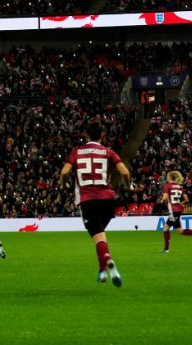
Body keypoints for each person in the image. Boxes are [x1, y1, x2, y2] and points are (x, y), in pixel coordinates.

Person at [60, 119, 130, 287]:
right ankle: (102, 271)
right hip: (108, 200)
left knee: (98, 239)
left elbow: (64, 172)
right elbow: (125, 172)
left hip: (88, 201)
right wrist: (128, 186)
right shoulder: (107, 152)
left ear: (86, 135)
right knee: (100, 237)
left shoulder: (77, 151)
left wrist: (64, 184)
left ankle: (108, 261)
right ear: (102, 135)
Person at [159, 170, 192, 252]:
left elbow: (164, 197)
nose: (166, 177)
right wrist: (179, 204)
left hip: (173, 211)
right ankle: (166, 249)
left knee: (179, 231)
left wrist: (162, 200)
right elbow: (187, 200)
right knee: (166, 228)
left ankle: (166, 249)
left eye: (167, 176)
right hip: (177, 210)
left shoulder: (167, 186)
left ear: (170, 177)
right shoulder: (179, 187)